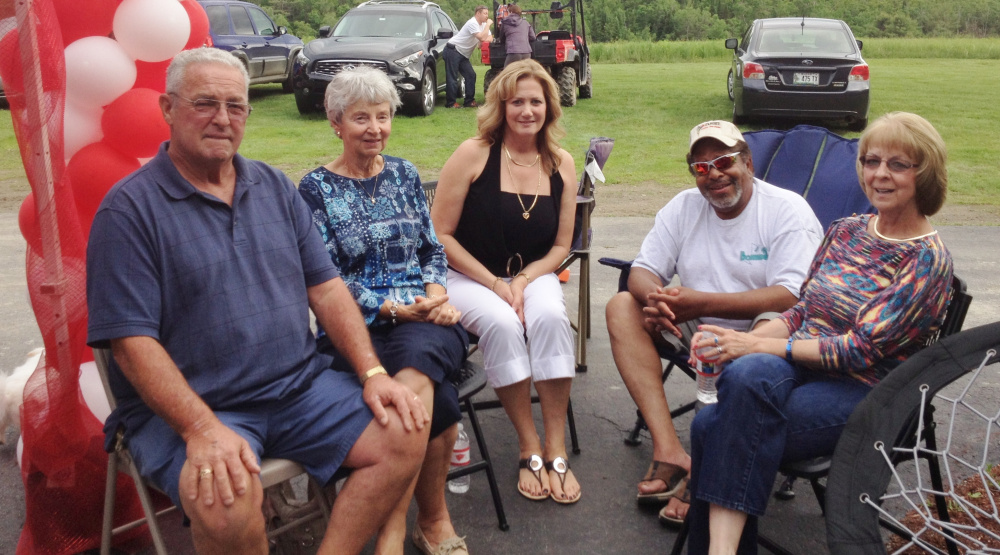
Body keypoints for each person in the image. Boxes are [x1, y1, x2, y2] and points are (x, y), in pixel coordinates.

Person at [86, 48, 429, 555]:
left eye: (236, 106)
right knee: (223, 499)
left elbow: (328, 289)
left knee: (405, 427)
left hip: (297, 389)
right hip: (196, 409)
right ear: (168, 108)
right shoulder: (128, 211)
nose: (222, 119)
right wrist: (201, 428)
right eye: (205, 103)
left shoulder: (272, 186)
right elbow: (131, 343)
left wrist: (372, 374)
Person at [685, 111, 954, 554]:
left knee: (716, 425)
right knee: (743, 376)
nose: (880, 174)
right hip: (804, 365)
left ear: (924, 173)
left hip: (868, 392)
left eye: (898, 164)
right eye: (871, 161)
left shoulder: (926, 260)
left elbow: (858, 350)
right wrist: (732, 345)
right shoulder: (846, 230)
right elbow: (803, 308)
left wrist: (755, 343)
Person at [603, 120, 823, 524]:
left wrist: (699, 300)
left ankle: (710, 467)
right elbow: (643, 269)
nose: (714, 175)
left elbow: (794, 296)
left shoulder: (786, 210)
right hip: (694, 324)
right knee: (622, 306)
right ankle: (669, 450)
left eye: (723, 161)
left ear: (748, 163)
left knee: (773, 322)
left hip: (764, 336)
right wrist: (658, 299)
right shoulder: (684, 207)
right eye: (701, 168)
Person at [298, 66, 470, 555]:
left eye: (383, 116)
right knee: (439, 402)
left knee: (419, 362)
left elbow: (431, 249)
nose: (375, 128)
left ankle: (391, 533)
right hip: (358, 325)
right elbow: (327, 277)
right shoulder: (314, 191)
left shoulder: (405, 173)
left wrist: (434, 295)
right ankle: (431, 520)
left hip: (424, 316)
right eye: (360, 118)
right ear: (335, 123)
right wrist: (391, 308)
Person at [431, 59, 581, 504]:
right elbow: (439, 235)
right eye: (517, 101)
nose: (527, 110)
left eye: (536, 101)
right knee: (501, 323)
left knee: (552, 315)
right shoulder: (473, 153)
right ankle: (527, 443)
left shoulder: (561, 163)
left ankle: (555, 445)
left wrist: (522, 280)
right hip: (466, 275)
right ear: (502, 105)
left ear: (549, 107)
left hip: (532, 273)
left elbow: (560, 246)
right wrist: (498, 286)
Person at [445, 5, 492, 108]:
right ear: (478, 13)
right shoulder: (473, 23)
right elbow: (482, 37)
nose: (487, 16)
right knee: (452, 77)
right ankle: (451, 103)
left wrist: (483, 38)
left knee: (471, 75)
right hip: (453, 50)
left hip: (463, 54)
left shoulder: (483, 25)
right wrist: (488, 26)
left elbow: (490, 37)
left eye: (487, 14)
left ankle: (469, 101)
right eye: (485, 13)